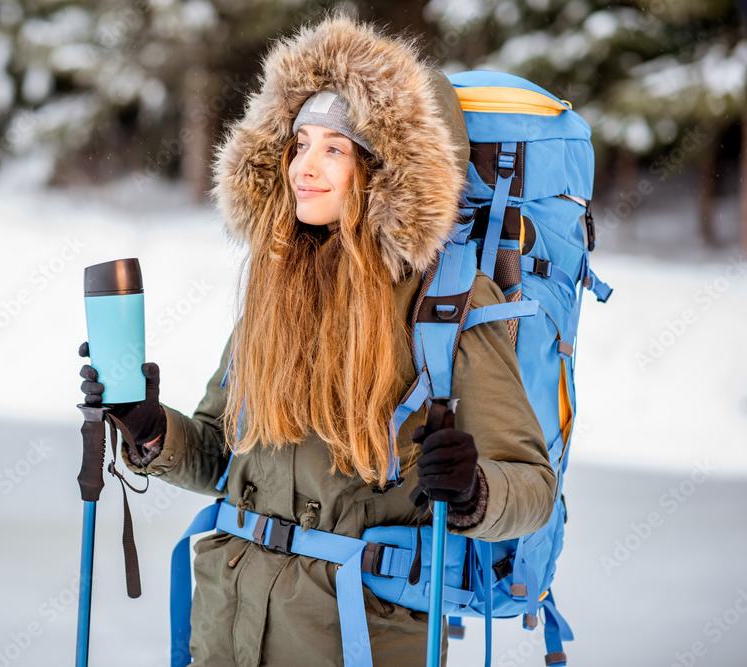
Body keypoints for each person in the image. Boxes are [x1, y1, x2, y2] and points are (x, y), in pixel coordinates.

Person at [80, 12, 556, 666]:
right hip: (228, 627)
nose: (305, 166)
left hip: (354, 637)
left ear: (386, 170)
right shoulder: (275, 291)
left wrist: (475, 489)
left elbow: (535, 487)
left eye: (334, 148)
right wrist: (151, 427)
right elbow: (224, 458)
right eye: (300, 143)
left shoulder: (447, 303)